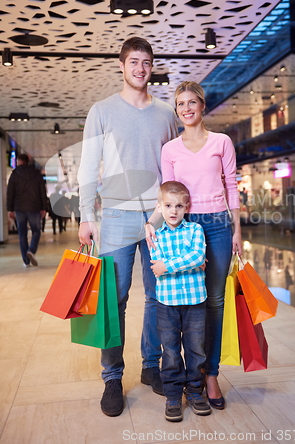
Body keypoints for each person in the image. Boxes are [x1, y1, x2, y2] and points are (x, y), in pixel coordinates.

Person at [77, 37, 178, 417]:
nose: (140, 68)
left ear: (152, 67)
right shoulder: (101, 111)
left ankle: (152, 365)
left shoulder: (167, 114)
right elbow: (88, 168)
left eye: (146, 62)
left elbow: (174, 169)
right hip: (116, 216)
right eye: (133, 61)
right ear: (121, 65)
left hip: (159, 219)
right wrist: (88, 216)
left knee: (159, 297)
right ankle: (112, 377)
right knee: (113, 300)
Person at [146, 81, 242, 410]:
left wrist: (237, 230)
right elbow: (167, 194)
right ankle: (183, 377)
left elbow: (231, 185)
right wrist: (152, 222)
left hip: (216, 224)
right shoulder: (170, 149)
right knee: (183, 302)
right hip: (181, 224)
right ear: (177, 111)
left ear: (202, 105)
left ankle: (208, 374)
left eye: (192, 102)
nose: (186, 108)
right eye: (180, 104)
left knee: (213, 301)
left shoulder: (222, 142)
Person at [150, 181, 211, 422]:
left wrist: (170, 264)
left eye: (178, 206)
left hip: (196, 301)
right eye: (167, 205)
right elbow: (157, 266)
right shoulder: (156, 235)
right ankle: (173, 394)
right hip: (167, 303)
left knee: (196, 349)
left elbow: (198, 255)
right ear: (159, 207)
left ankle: (195, 391)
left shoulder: (196, 229)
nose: (173, 211)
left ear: (187, 207)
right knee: (171, 351)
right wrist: (187, 262)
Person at [6, 153, 47, 267]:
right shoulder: (36, 174)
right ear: (27, 161)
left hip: (19, 208)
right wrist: (44, 208)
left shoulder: (14, 175)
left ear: (19, 161)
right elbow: (42, 192)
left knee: (22, 234)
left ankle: (26, 260)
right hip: (34, 207)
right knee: (36, 231)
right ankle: (31, 250)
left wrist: (10, 209)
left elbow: (10, 193)